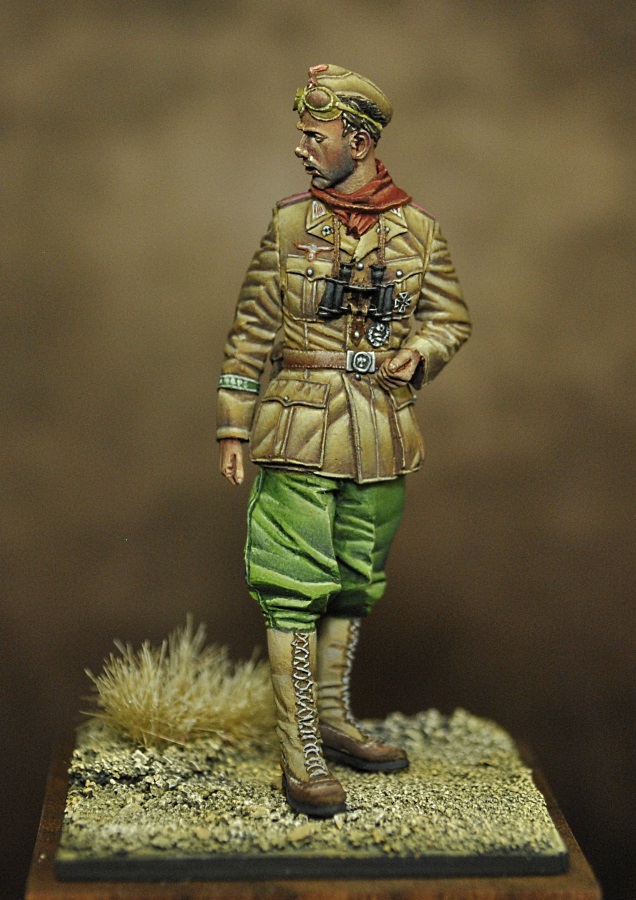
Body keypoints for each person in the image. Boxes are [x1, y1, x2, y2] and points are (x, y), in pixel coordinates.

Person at [217, 64, 471, 817]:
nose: (301, 148)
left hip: (381, 430)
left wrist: (419, 352)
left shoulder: (418, 231)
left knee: (357, 576)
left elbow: (450, 319)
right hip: (299, 426)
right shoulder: (289, 225)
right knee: (292, 583)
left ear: (358, 142)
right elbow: (252, 331)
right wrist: (233, 423)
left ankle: (331, 718)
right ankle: (300, 749)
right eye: (302, 134)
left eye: (314, 135)